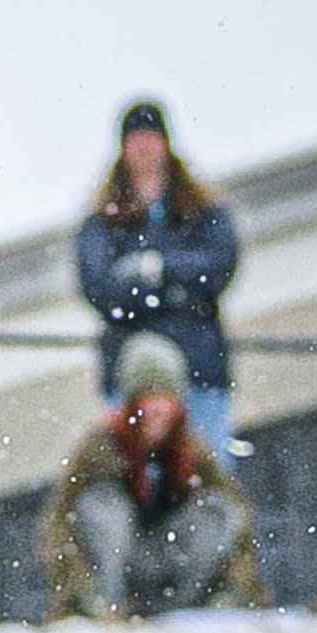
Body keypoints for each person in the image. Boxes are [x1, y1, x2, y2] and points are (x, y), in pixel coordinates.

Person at [42, 331, 264, 620]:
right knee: (101, 506)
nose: (158, 409)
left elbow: (237, 521)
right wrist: (82, 590)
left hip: (172, 566)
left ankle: (192, 605)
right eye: (149, 398)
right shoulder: (101, 447)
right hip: (120, 568)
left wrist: (235, 588)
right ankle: (108, 606)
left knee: (216, 510)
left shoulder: (192, 450)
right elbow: (59, 524)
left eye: (166, 398)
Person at [74, 99, 242, 457]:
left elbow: (219, 267)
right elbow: (101, 289)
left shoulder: (201, 209)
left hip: (199, 368)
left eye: (150, 138)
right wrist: (174, 289)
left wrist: (156, 269)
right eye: (136, 140)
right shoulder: (101, 222)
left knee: (208, 468)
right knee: (139, 474)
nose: (145, 149)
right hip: (131, 375)